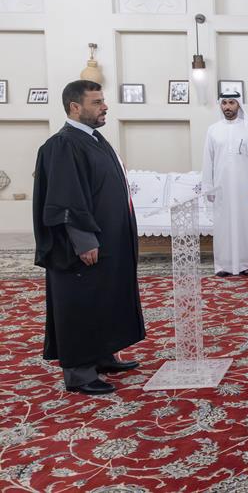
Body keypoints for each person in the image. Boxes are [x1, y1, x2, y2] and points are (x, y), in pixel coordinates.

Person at [33, 80, 146, 395]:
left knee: (103, 298)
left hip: (107, 242)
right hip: (83, 248)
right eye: (97, 102)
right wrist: (84, 241)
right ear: (75, 107)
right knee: (81, 304)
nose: (104, 106)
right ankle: (80, 373)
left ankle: (101, 356)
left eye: (103, 100)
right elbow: (66, 199)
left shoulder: (92, 139)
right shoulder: (63, 144)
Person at [202, 91, 248, 276]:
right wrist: (208, 187)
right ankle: (223, 265)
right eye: (224, 103)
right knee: (222, 225)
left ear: (239, 105)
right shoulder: (213, 130)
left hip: (244, 187)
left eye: (232, 103)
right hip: (221, 187)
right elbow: (208, 160)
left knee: (245, 224)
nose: (227, 107)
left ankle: (246, 264)